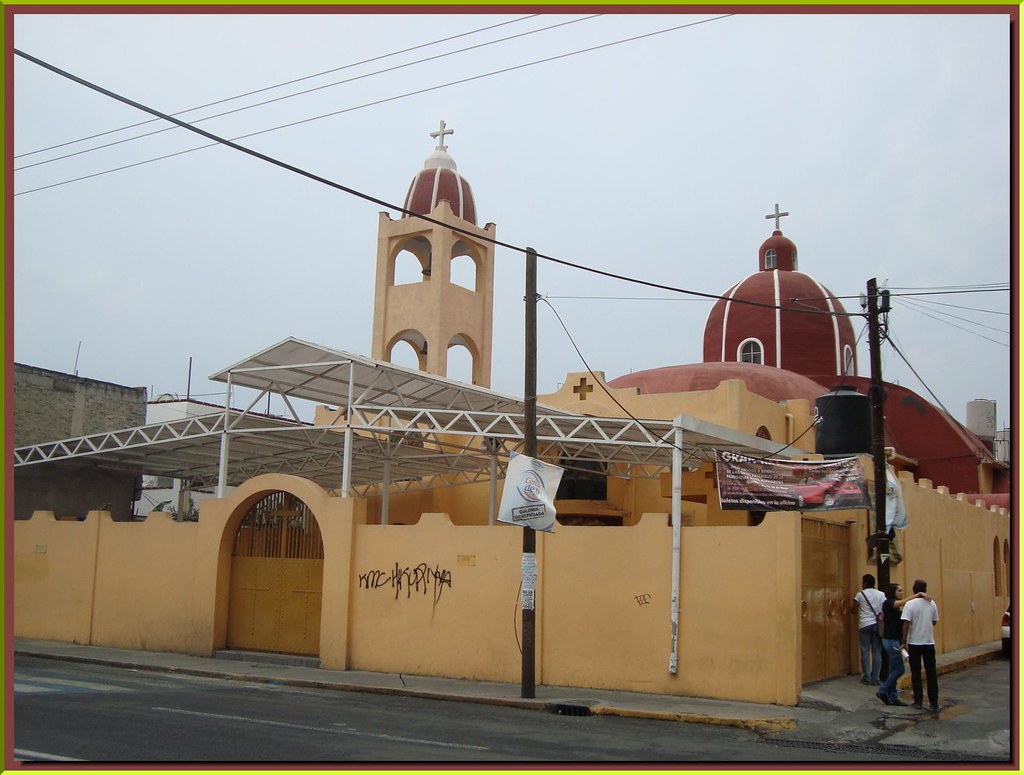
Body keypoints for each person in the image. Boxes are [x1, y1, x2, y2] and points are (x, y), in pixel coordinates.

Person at [876, 583, 931, 706]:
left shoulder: (895, 607)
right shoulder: (888, 603)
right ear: (893, 592)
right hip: (891, 640)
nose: (902, 592)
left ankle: (892, 695)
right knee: (900, 669)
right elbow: (902, 603)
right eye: (899, 590)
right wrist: (918, 594)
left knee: (892, 668)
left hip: (894, 640)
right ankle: (883, 690)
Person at [901, 578, 940, 711]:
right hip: (929, 642)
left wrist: (903, 641)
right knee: (931, 673)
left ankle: (918, 701)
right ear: (925, 589)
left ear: (914, 589)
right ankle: (934, 702)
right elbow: (934, 621)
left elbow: (906, 624)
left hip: (914, 642)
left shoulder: (910, 604)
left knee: (915, 672)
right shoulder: (932, 603)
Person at [852, 573, 885, 685]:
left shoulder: (860, 595)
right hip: (877, 625)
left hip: (865, 624)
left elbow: (853, 609)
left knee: (865, 651)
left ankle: (867, 676)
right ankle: (876, 678)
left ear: (865, 583)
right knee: (877, 652)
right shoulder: (881, 594)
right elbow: (884, 609)